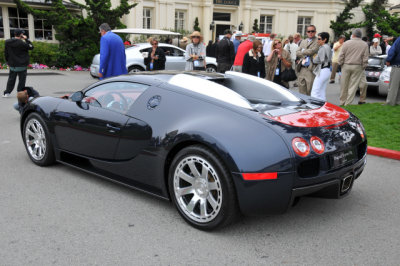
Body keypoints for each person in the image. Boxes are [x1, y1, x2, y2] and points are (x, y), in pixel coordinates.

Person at [338, 28, 369, 106]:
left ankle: (342, 102)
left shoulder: (346, 43)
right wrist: (363, 66)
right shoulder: (364, 44)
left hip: (346, 65)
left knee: (344, 85)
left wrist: (340, 63)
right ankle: (348, 103)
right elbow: (365, 57)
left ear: (353, 35)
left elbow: (341, 55)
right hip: (357, 66)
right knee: (353, 86)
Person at [3, 29, 34, 98]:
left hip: (12, 64)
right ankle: (19, 92)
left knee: (11, 79)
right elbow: (31, 47)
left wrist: (8, 61)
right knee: (22, 80)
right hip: (22, 64)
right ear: (21, 35)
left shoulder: (7, 42)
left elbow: (6, 53)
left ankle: (7, 92)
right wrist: (27, 39)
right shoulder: (22, 43)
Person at [295, 25, 319, 95]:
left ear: (315, 32)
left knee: (310, 89)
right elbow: (297, 52)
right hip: (302, 67)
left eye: (312, 31)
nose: (310, 33)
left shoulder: (317, 41)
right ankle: (303, 105)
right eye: (309, 31)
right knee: (301, 89)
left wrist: (302, 51)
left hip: (311, 68)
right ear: (306, 32)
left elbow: (312, 51)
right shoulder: (303, 41)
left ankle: (310, 105)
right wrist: (305, 52)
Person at [310, 32, 331, 101]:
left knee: (315, 91)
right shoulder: (328, 46)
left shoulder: (322, 47)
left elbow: (318, 60)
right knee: (321, 91)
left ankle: (316, 106)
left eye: (319, 39)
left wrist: (314, 57)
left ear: (324, 39)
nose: (317, 40)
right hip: (327, 70)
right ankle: (323, 106)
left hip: (322, 70)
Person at [385, 36, 400, 105]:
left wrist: (388, 60)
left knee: (393, 86)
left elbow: (393, 50)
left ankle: (390, 102)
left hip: (397, 65)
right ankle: (398, 102)